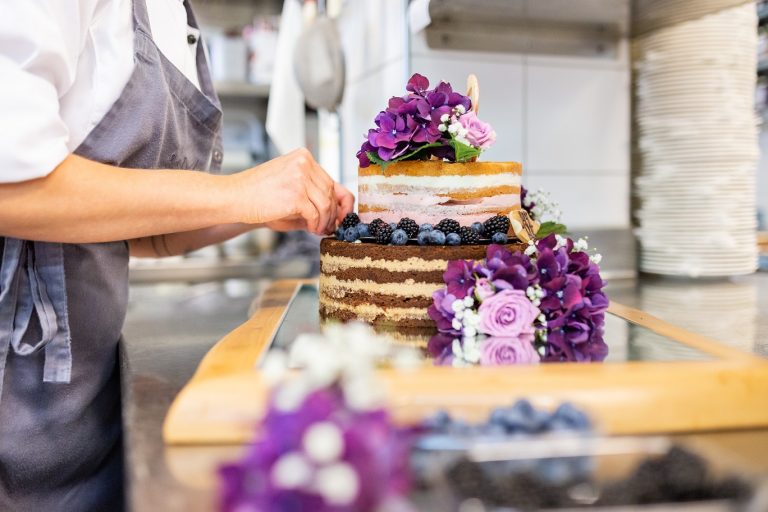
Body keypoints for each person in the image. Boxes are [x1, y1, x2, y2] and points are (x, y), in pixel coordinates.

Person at [0, 1, 354, 510]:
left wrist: (260, 207)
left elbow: (138, 232)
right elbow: (15, 186)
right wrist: (238, 194)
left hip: (75, 412)